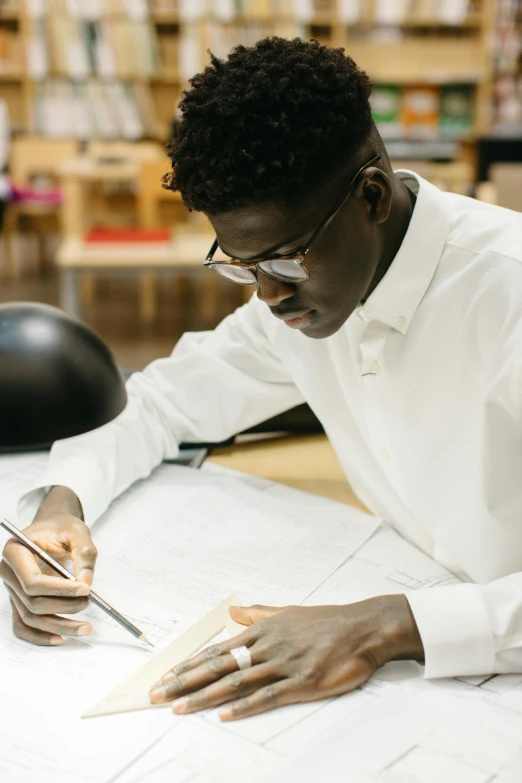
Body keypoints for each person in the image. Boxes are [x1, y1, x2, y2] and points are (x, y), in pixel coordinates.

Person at [2, 37, 522, 723]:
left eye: (286, 260)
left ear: (371, 196)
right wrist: (60, 506)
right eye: (243, 265)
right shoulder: (303, 302)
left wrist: (389, 624)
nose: (270, 296)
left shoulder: (506, 293)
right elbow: (163, 401)